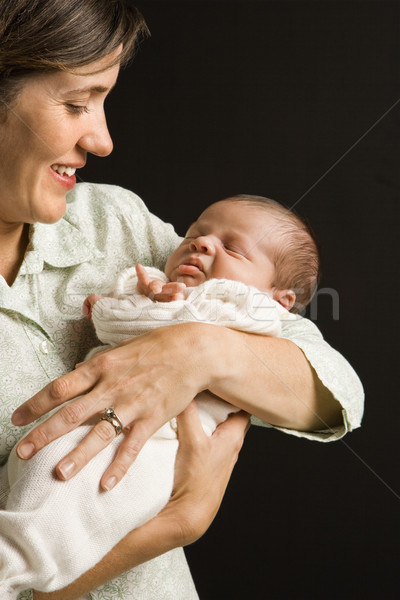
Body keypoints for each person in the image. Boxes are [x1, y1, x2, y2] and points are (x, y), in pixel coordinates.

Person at [0, 1, 363, 599]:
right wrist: (171, 527)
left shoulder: (112, 222)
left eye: (103, 101)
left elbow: (336, 392)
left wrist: (195, 349)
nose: (103, 139)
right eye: (74, 103)